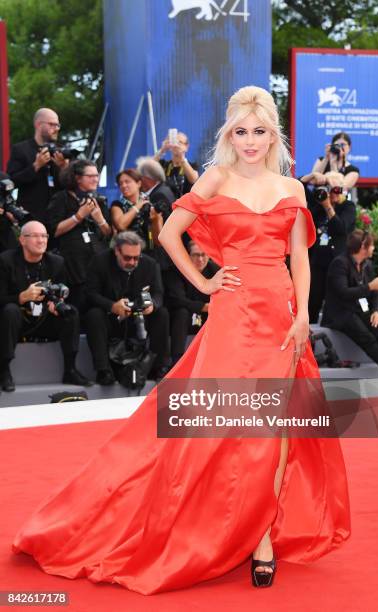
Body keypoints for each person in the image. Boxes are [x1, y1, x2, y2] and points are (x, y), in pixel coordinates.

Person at [12, 86, 350, 594]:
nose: (251, 141)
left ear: (273, 134)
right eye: (241, 131)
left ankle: (261, 538)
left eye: (260, 131)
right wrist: (206, 282)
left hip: (281, 314)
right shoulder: (216, 177)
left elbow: (299, 259)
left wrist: (303, 315)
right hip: (235, 315)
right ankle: (211, 519)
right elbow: (170, 234)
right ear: (230, 135)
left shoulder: (293, 191)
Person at [0, 221, 91, 391]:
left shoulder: (56, 262)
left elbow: (63, 291)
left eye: (44, 236)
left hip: (44, 318)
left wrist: (57, 303)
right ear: (22, 240)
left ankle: (70, 369)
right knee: (10, 311)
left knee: (71, 313)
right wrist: (21, 297)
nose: (41, 240)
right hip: (18, 320)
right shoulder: (6, 261)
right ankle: (4, 370)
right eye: (35, 236)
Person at [84, 232, 170, 385]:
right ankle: (103, 370)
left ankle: (160, 367)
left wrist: (152, 305)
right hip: (111, 318)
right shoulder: (99, 262)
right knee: (94, 315)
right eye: (127, 258)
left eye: (136, 258)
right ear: (117, 251)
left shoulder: (150, 264)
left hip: (140, 318)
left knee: (161, 313)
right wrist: (112, 306)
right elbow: (90, 293)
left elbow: (158, 293)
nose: (132, 262)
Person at [322, 229, 378, 376]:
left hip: (359, 309)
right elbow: (343, 293)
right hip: (340, 314)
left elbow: (375, 293)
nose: (373, 248)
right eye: (372, 245)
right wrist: (369, 287)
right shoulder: (340, 263)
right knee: (367, 338)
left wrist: (376, 311)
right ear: (363, 247)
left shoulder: (366, 264)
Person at [45, 159, 111, 313]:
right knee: (78, 304)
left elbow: (108, 234)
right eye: (90, 176)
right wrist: (78, 217)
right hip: (73, 265)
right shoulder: (61, 198)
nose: (95, 179)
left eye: (97, 175)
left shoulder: (98, 200)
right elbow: (54, 230)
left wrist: (100, 219)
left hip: (97, 260)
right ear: (77, 178)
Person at [6, 108, 68, 223]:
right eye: (52, 124)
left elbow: (70, 186)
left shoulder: (60, 151)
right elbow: (11, 182)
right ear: (38, 124)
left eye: (58, 125)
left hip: (58, 218)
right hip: (31, 217)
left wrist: (64, 168)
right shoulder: (21, 149)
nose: (56, 129)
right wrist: (35, 166)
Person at [164, 240, 219, 365]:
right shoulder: (176, 270)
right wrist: (202, 307)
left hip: (207, 315)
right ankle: (177, 360)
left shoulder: (215, 270)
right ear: (187, 255)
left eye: (203, 255)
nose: (200, 259)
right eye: (195, 255)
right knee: (181, 313)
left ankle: (216, 360)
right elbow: (177, 299)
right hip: (183, 317)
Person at [308, 185, 356, 323]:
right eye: (330, 190)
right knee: (314, 298)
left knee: (334, 297)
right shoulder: (319, 206)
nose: (333, 194)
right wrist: (321, 201)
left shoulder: (348, 206)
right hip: (318, 261)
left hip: (337, 262)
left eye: (337, 190)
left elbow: (340, 228)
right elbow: (308, 218)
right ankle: (310, 329)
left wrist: (328, 205)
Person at [136, 157, 176, 270]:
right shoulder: (164, 189)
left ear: (146, 178)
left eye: (139, 178)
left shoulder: (159, 195)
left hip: (161, 254)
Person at [111, 168, 157, 252]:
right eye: (120, 183)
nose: (124, 186)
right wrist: (137, 206)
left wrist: (155, 219)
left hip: (150, 251)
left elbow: (158, 235)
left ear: (138, 183)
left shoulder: (149, 203)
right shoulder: (117, 204)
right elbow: (120, 225)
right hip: (127, 251)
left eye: (127, 182)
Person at [154, 130, 199, 198]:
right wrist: (162, 150)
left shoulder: (192, 165)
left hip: (183, 205)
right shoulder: (165, 165)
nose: (176, 145)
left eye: (180, 142)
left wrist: (181, 157)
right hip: (166, 205)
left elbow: (193, 179)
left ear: (186, 146)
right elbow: (148, 167)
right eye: (174, 142)